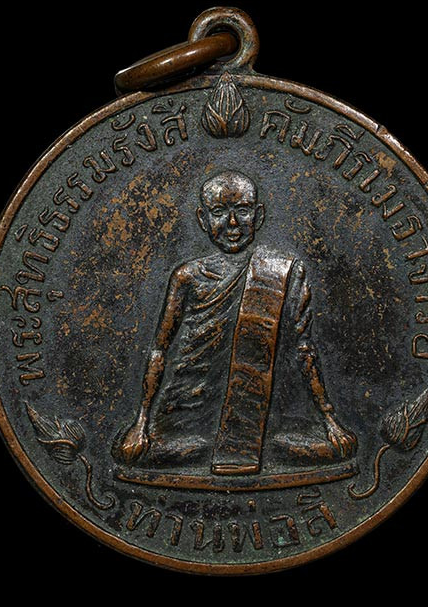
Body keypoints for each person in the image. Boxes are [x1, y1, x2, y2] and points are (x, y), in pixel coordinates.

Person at [113, 170, 356, 473]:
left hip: (262, 416)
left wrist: (329, 421)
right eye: (219, 212)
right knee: (132, 454)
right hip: (189, 417)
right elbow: (159, 350)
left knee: (335, 448)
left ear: (259, 216)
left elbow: (303, 350)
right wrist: (141, 423)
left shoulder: (283, 271)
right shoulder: (187, 277)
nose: (232, 223)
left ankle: (249, 451)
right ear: (203, 219)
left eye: (242, 210)